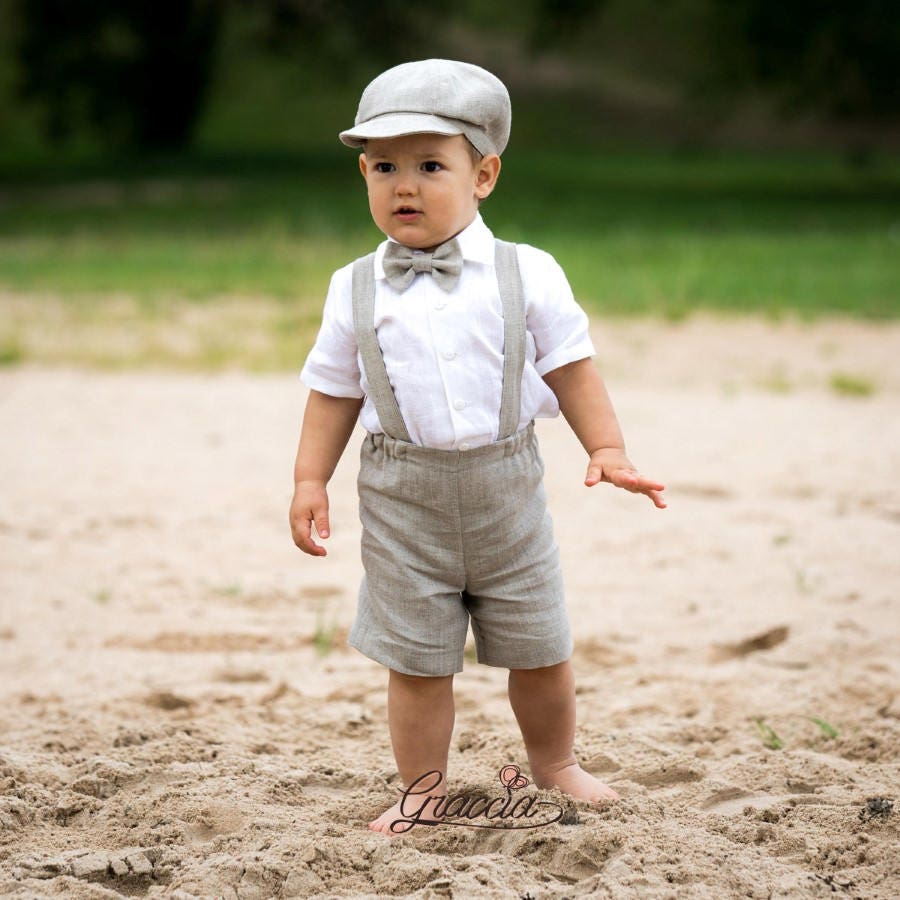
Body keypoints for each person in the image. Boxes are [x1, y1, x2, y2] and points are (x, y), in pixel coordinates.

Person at [289, 59, 665, 836]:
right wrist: (308, 480)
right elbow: (333, 390)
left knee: (540, 645)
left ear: (483, 173)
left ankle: (554, 761)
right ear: (363, 173)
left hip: (506, 491)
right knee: (417, 661)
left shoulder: (526, 272)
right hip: (402, 501)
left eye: (431, 166)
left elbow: (571, 364)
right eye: (385, 167)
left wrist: (608, 446)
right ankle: (423, 788)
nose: (405, 186)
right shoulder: (352, 286)